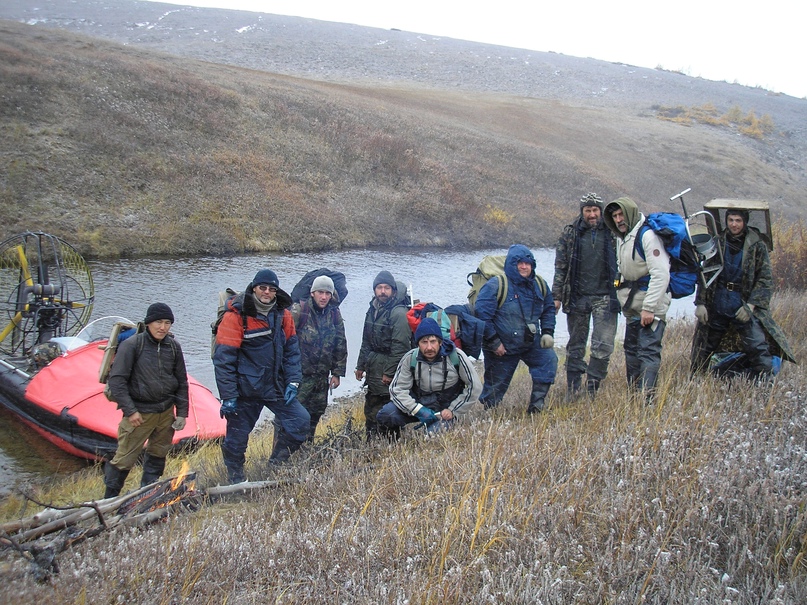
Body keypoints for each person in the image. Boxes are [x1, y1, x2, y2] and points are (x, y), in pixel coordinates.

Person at [213, 269, 308, 483]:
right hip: (245, 390)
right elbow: (223, 360)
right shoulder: (236, 316)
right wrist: (228, 395)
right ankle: (235, 479)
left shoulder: (283, 314)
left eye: (271, 289)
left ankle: (276, 464)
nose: (267, 292)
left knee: (301, 422)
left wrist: (293, 380)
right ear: (254, 288)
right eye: (263, 287)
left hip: (275, 386)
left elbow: (292, 351)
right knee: (235, 440)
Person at [690, 208, 795, 378]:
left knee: (757, 347)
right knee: (704, 347)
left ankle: (764, 384)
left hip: (743, 302)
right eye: (731, 220)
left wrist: (751, 306)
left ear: (744, 222)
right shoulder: (718, 242)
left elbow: (765, 279)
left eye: (738, 220)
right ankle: (696, 381)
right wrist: (700, 303)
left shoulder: (757, 245)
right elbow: (705, 273)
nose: (734, 224)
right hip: (718, 301)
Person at [103, 303, 188, 498]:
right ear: (148, 323)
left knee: (158, 455)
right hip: (139, 414)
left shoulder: (173, 346)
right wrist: (130, 411)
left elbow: (182, 381)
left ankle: (148, 497)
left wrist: (182, 413)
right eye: (159, 322)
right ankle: (109, 501)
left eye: (168, 323)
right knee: (123, 460)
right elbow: (117, 381)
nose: (163, 327)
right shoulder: (132, 345)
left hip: (166, 413)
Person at [552, 192, 620, 399]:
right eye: (588, 210)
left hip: (606, 297)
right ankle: (573, 389)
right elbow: (560, 267)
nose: (592, 214)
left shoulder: (613, 233)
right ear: (582, 211)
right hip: (577, 297)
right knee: (575, 345)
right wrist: (557, 296)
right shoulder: (570, 233)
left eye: (595, 210)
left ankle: (592, 388)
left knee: (603, 344)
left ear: (601, 211)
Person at [476, 244, 558, 414]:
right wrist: (494, 342)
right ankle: (489, 414)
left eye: (528, 263)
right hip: (502, 347)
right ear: (511, 265)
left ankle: (536, 407)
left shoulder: (540, 284)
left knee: (548, 360)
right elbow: (482, 316)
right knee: (495, 386)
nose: (523, 266)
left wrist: (548, 332)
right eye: (519, 263)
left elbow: (549, 308)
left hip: (530, 343)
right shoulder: (495, 285)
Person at [603, 197, 671, 399]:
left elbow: (661, 274)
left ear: (630, 213)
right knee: (631, 352)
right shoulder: (622, 237)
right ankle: (635, 397)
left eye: (621, 214)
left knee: (648, 352)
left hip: (650, 309)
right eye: (614, 216)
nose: (618, 219)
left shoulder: (647, 236)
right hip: (633, 308)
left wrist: (649, 308)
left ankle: (647, 400)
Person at [377, 317, 482, 432]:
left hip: (445, 410)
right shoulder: (410, 358)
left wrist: (453, 410)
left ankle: (438, 429)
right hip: (419, 405)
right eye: (424, 342)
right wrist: (417, 410)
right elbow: (397, 390)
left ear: (440, 342)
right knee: (386, 415)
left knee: (431, 437)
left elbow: (475, 387)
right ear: (418, 344)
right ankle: (394, 445)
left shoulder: (456, 356)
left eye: (433, 341)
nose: (429, 347)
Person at [289, 275, 348, 440]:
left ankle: (307, 448)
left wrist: (337, 373)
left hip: (321, 378)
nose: (324, 297)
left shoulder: (334, 314)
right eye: (320, 292)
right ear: (312, 293)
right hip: (299, 378)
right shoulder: (298, 311)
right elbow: (284, 344)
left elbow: (340, 343)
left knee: (315, 415)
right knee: (291, 418)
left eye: (327, 293)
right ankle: (283, 454)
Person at [355, 271, 412, 436]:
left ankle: (389, 443)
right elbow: (366, 340)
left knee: (387, 406)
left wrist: (389, 372)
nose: (382, 291)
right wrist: (360, 365)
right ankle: (372, 440)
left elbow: (400, 347)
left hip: (388, 368)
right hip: (374, 366)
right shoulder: (372, 308)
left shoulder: (398, 313)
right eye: (379, 287)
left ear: (393, 291)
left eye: (387, 288)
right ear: (374, 290)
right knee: (371, 404)